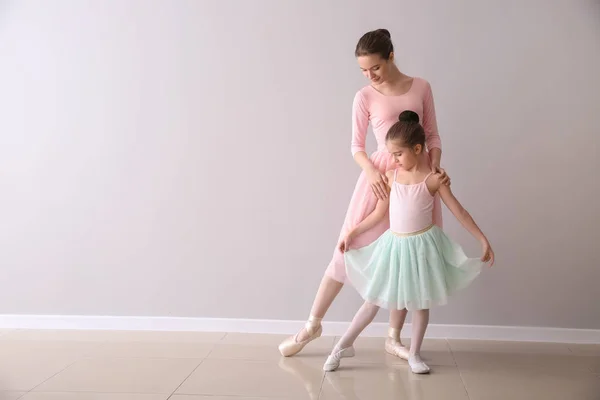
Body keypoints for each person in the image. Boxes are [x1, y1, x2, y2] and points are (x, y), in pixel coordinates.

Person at [279, 28, 449, 359]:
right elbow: (356, 146)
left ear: (391, 56)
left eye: (375, 67)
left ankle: (393, 335)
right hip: (380, 181)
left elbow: (433, 136)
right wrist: (372, 172)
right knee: (347, 247)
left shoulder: (422, 87)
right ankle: (313, 325)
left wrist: (435, 170)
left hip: (416, 180)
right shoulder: (364, 97)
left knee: (408, 258)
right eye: (363, 70)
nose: (370, 75)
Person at [322, 111, 495, 374]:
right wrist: (352, 233)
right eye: (391, 155)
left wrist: (482, 239)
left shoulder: (434, 180)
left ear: (417, 148)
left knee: (419, 304)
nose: (393, 160)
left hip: (422, 249)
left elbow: (459, 212)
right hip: (395, 248)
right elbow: (378, 214)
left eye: (398, 154)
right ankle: (343, 346)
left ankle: (414, 354)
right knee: (373, 301)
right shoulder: (392, 177)